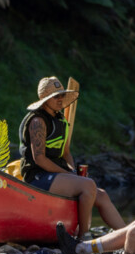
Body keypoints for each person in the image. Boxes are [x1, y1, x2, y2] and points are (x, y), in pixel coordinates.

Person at [19, 76, 126, 240]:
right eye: (56, 96)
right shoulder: (37, 121)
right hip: (38, 177)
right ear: (44, 99)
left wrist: (72, 171)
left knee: (101, 194)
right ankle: (84, 237)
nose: (60, 99)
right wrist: (68, 174)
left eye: (61, 95)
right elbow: (39, 159)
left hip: (57, 175)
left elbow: (66, 152)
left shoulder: (61, 120)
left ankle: (127, 236)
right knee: (88, 185)